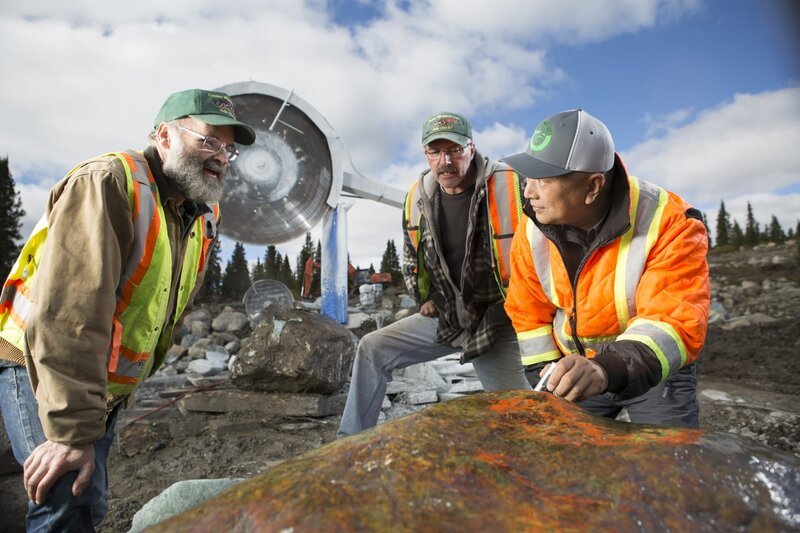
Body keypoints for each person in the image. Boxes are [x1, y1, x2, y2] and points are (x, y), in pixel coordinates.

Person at [0, 88, 255, 531]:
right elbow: (70, 315)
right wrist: (72, 431)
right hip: (41, 364)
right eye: (209, 140)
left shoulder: (199, 215)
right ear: (165, 136)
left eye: (228, 149)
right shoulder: (109, 183)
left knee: (89, 502)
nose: (221, 156)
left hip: (99, 381)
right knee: (65, 493)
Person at [502, 108, 710, 427]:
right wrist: (545, 375)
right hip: (577, 370)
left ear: (593, 187)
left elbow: (672, 321)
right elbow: (527, 311)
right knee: (553, 448)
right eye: (528, 178)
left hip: (654, 373)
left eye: (543, 180)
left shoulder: (670, 222)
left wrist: (604, 370)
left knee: (669, 456)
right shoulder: (532, 229)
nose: (528, 193)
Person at [338, 112, 532, 437]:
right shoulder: (419, 196)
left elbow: (548, 248)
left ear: (471, 148)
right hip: (447, 318)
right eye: (435, 151)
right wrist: (424, 296)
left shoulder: (512, 185)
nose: (446, 161)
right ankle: (349, 444)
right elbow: (410, 255)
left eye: (454, 150)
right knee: (372, 348)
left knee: (518, 418)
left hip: (497, 321)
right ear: (426, 154)